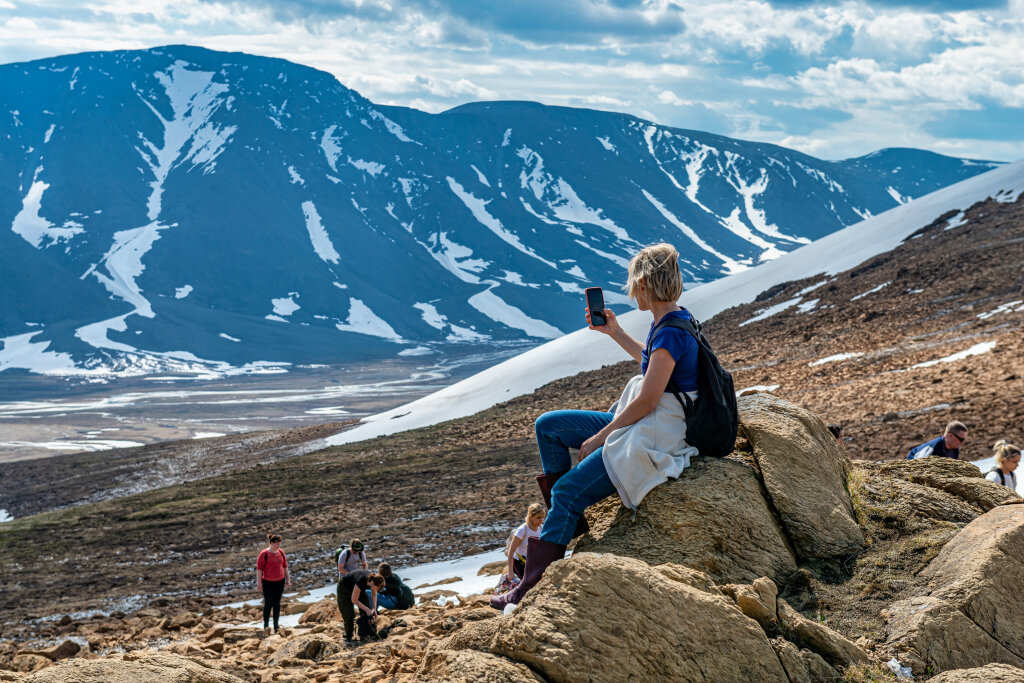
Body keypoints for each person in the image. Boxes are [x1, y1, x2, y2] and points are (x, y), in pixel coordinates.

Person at [492, 243, 700, 610]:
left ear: (647, 284)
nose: (632, 290)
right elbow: (654, 366)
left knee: (568, 491)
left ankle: (528, 588)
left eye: (635, 283)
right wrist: (615, 332)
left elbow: (649, 400)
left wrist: (601, 436)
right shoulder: (670, 322)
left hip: (653, 433)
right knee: (549, 427)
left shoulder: (670, 331)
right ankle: (565, 525)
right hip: (647, 421)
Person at [337, 568, 385, 642]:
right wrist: (367, 610)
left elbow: (374, 595)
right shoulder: (361, 581)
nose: (376, 590)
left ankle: (365, 634)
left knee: (367, 611)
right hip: (344, 588)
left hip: (359, 588)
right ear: (373, 583)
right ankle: (348, 637)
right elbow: (354, 600)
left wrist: (374, 609)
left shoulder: (375, 580)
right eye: (376, 588)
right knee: (348, 613)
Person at [256, 533, 290, 634]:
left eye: (279, 543)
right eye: (276, 543)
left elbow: (285, 566)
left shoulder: (281, 553)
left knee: (277, 604)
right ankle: (266, 625)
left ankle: (276, 626)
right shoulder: (264, 554)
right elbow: (259, 569)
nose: (278, 545)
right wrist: (259, 583)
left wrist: (288, 579)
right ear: (271, 543)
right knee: (268, 604)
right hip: (267, 582)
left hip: (280, 581)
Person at [506, 504, 546, 580]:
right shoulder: (522, 530)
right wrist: (510, 573)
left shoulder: (541, 528)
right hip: (519, 564)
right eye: (538, 518)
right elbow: (510, 551)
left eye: (542, 517)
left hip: (532, 563)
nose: (541, 520)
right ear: (531, 517)